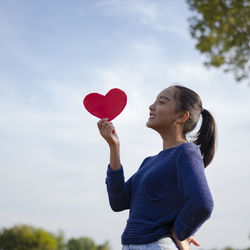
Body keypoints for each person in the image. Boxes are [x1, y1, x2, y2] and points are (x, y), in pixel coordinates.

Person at [97, 85, 216, 250]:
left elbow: (203, 204)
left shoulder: (186, 153)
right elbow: (118, 201)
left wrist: (179, 231)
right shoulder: (149, 162)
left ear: (182, 116)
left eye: (161, 102)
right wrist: (114, 147)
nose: (151, 106)